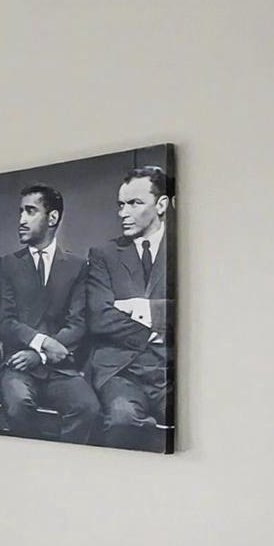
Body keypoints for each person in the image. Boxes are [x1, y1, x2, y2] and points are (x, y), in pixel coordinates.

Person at [0, 184, 99, 443]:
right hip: (17, 366)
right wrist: (42, 342)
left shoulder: (77, 266)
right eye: (20, 212)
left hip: (60, 369)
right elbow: (4, 322)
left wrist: (39, 355)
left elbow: (77, 325)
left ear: (52, 218)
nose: (21, 220)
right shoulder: (8, 265)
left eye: (30, 211)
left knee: (88, 408)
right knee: (19, 404)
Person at [86, 164, 175, 448]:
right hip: (120, 372)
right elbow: (99, 316)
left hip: (170, 369)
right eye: (121, 205)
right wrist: (156, 327)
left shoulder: (185, 249)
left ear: (161, 204)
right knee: (123, 420)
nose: (123, 213)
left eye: (135, 203)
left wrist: (144, 308)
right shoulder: (105, 255)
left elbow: (200, 313)